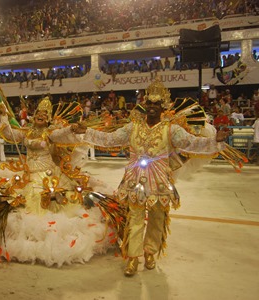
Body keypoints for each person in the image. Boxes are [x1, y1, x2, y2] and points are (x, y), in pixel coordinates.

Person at [71, 78, 230, 276]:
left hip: (160, 179)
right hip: (134, 178)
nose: (153, 107)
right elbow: (110, 139)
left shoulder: (171, 129)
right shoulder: (133, 127)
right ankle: (132, 258)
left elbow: (191, 143)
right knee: (134, 218)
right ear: (145, 105)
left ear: (163, 107)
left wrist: (214, 141)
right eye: (150, 103)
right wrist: (87, 131)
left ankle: (150, 253)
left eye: (157, 104)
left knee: (157, 218)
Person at [0, 97, 125, 267]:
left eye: (44, 114)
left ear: (48, 119)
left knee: (47, 201)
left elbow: (63, 134)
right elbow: (8, 133)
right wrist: (3, 115)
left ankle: (48, 234)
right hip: (28, 173)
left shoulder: (50, 134)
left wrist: (72, 128)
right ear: (34, 115)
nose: (41, 115)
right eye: (39, 113)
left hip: (47, 174)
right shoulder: (26, 132)